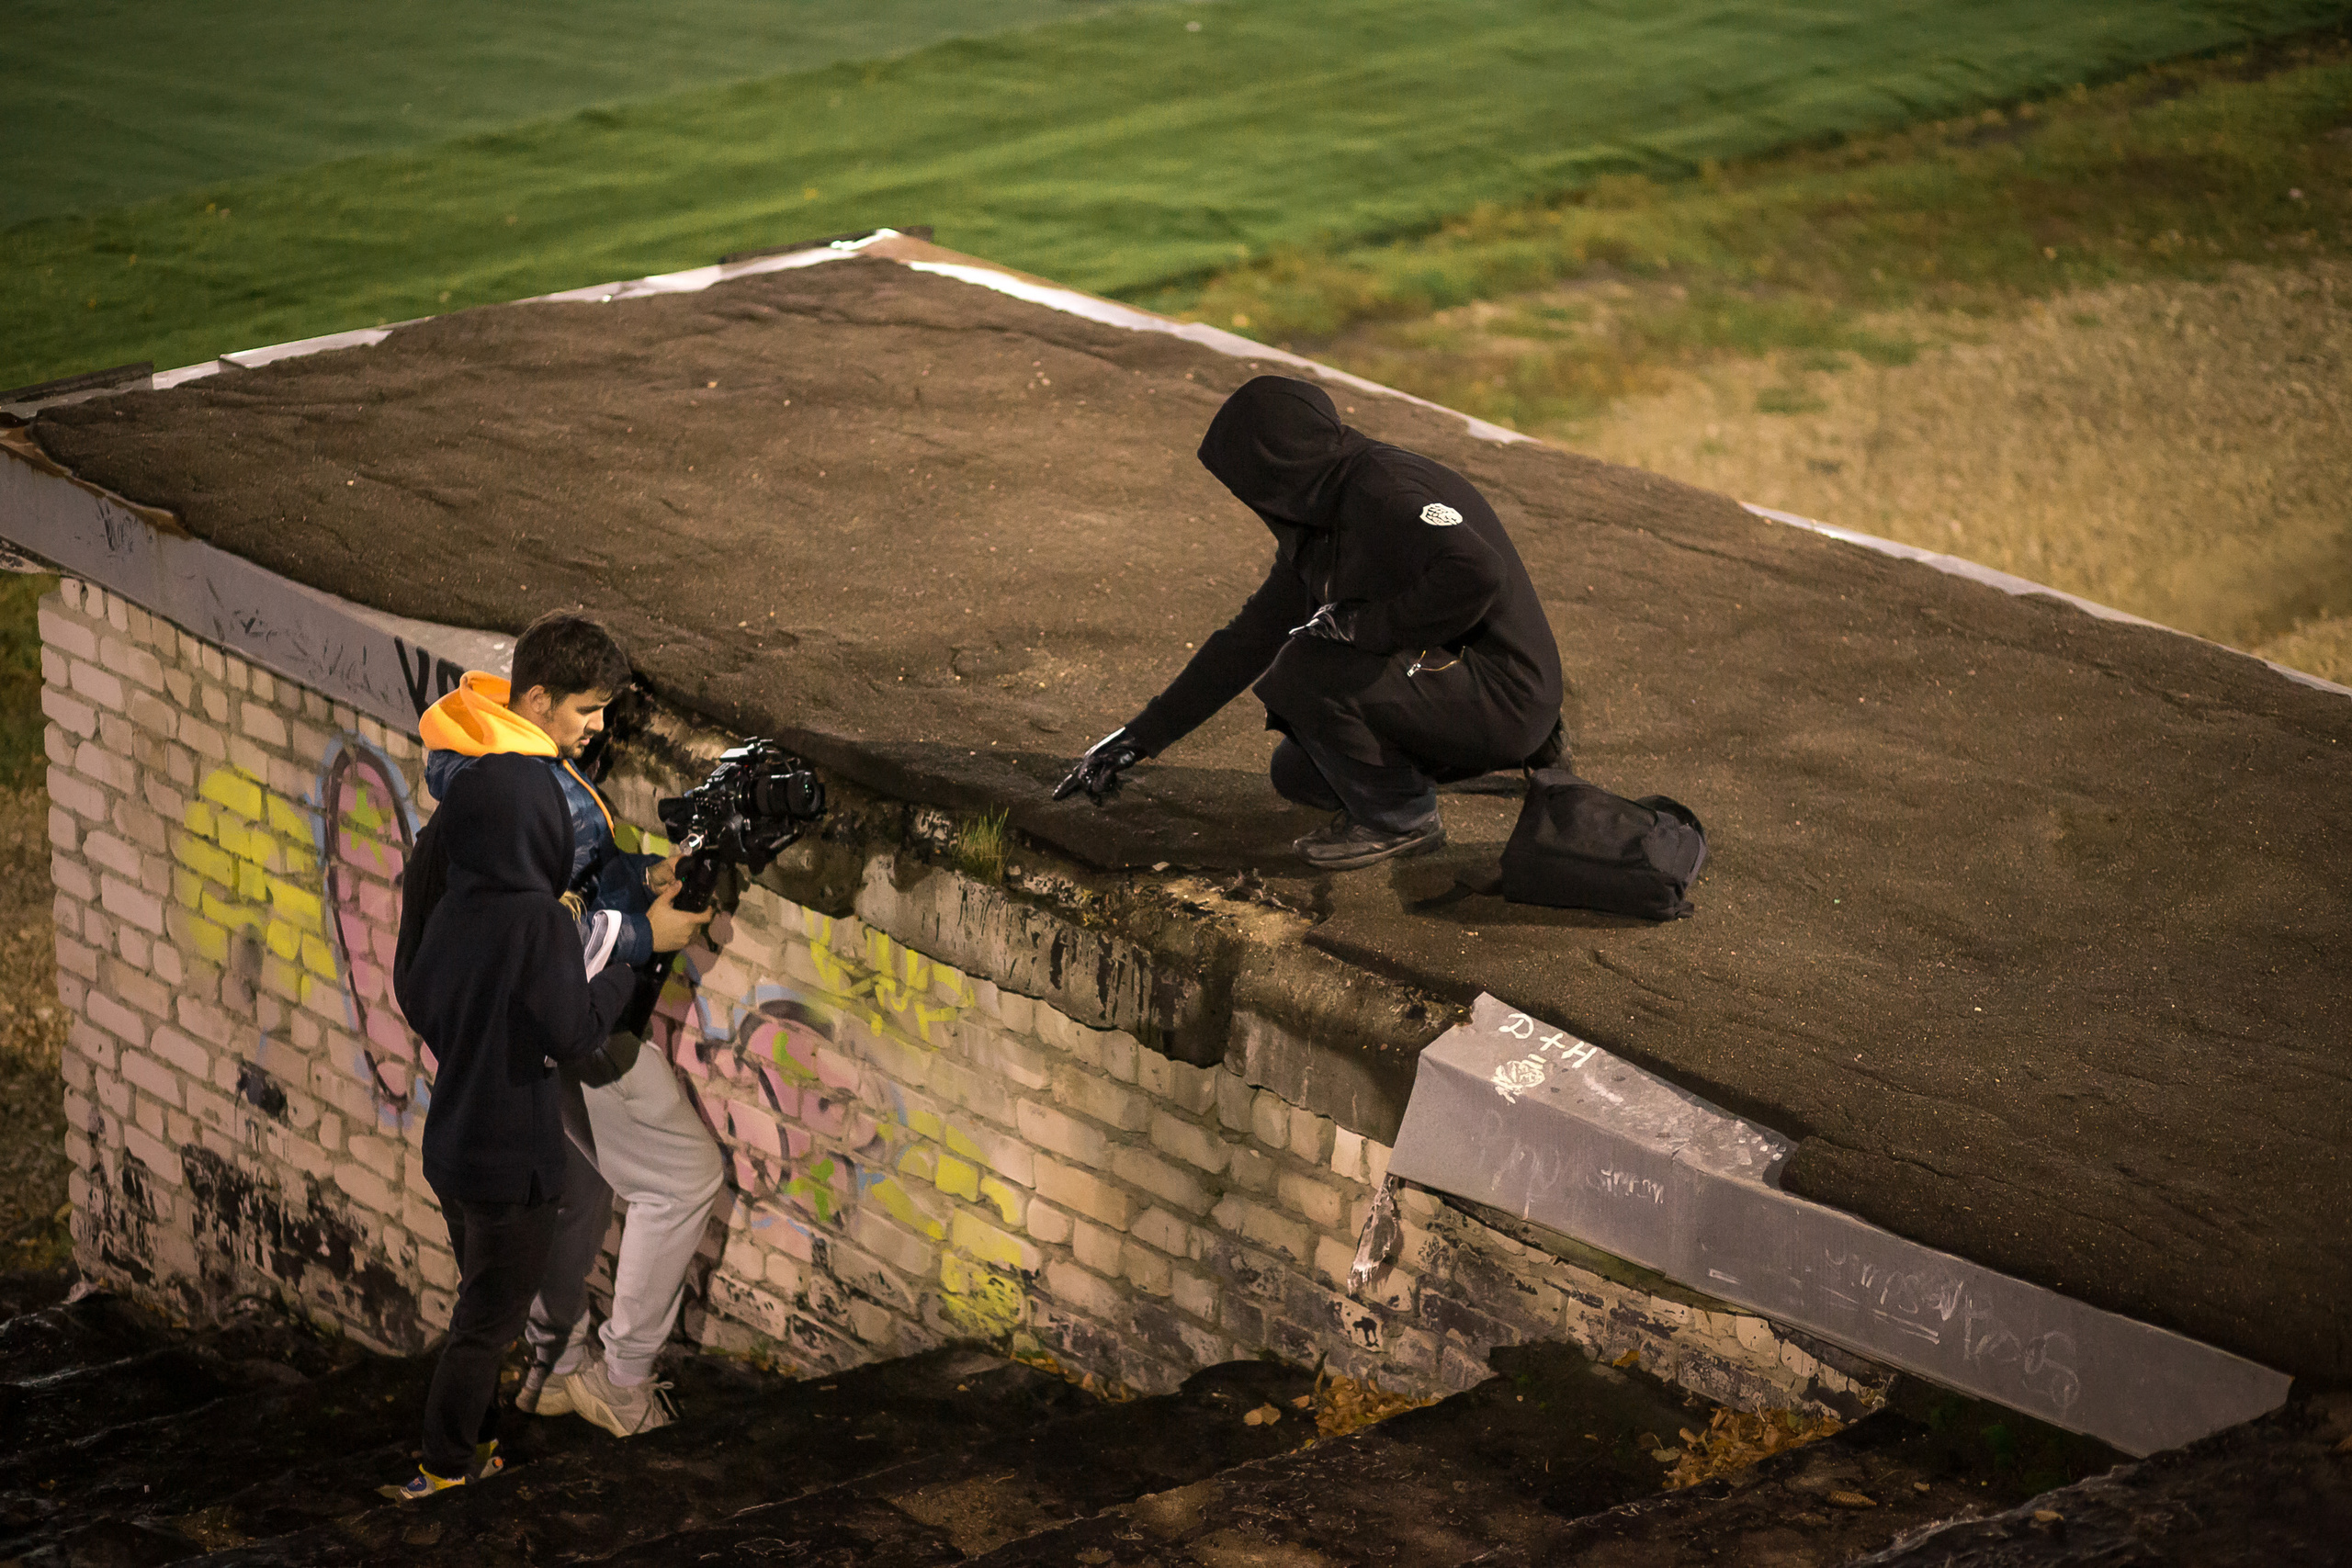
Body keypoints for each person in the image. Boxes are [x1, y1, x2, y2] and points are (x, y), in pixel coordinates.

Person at [414, 614, 723, 1440]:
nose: (598, 730)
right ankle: (601, 1389)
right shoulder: (532, 786)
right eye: (588, 711)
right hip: (551, 1033)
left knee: (577, 1186)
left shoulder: (487, 760)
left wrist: (640, 875)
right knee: (682, 1176)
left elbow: (569, 890)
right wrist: (644, 936)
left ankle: (551, 1368)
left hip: (494, 1071)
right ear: (540, 697)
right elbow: (555, 930)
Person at [1056, 376, 1566, 868]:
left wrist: (1366, 626)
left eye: (1246, 483)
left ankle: (1402, 822)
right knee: (1300, 775)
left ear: (1276, 471)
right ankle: (1457, 757)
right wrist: (1140, 737)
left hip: (1509, 695)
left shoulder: (1383, 494)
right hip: (1460, 683)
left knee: (1305, 670)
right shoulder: (1319, 519)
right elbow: (1248, 639)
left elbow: (1477, 572)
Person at [388, 754, 648, 1496]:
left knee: (481, 1301)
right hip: (514, 1162)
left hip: (452, 1147)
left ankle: (479, 1445)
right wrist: (623, 971)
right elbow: (573, 1033)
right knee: (485, 1326)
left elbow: (425, 998)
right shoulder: (535, 918)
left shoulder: (455, 905)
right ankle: (442, 1468)